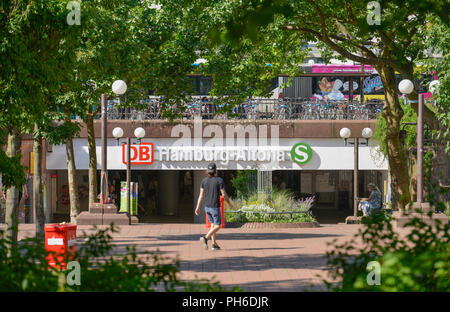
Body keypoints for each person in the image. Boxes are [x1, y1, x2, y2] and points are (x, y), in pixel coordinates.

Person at [195, 163, 232, 251]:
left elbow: (201, 195)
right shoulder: (219, 180)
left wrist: (197, 207)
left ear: (208, 171)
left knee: (212, 225)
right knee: (218, 225)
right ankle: (205, 238)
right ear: (216, 170)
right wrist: (229, 203)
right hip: (215, 207)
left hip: (207, 207)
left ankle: (214, 244)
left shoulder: (204, 181)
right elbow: (223, 194)